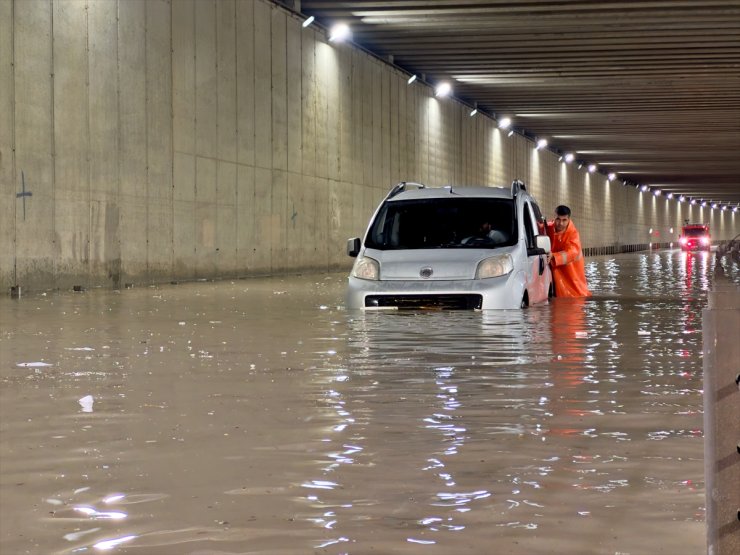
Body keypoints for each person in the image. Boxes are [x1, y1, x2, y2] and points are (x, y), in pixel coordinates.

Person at [546, 205, 591, 297]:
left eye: (564, 220)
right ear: (554, 217)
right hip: (556, 270)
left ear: (569, 219)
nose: (561, 223)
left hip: (572, 273)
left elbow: (572, 252)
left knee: (576, 296)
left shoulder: (573, 234)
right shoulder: (548, 228)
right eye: (558, 219)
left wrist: (554, 256)